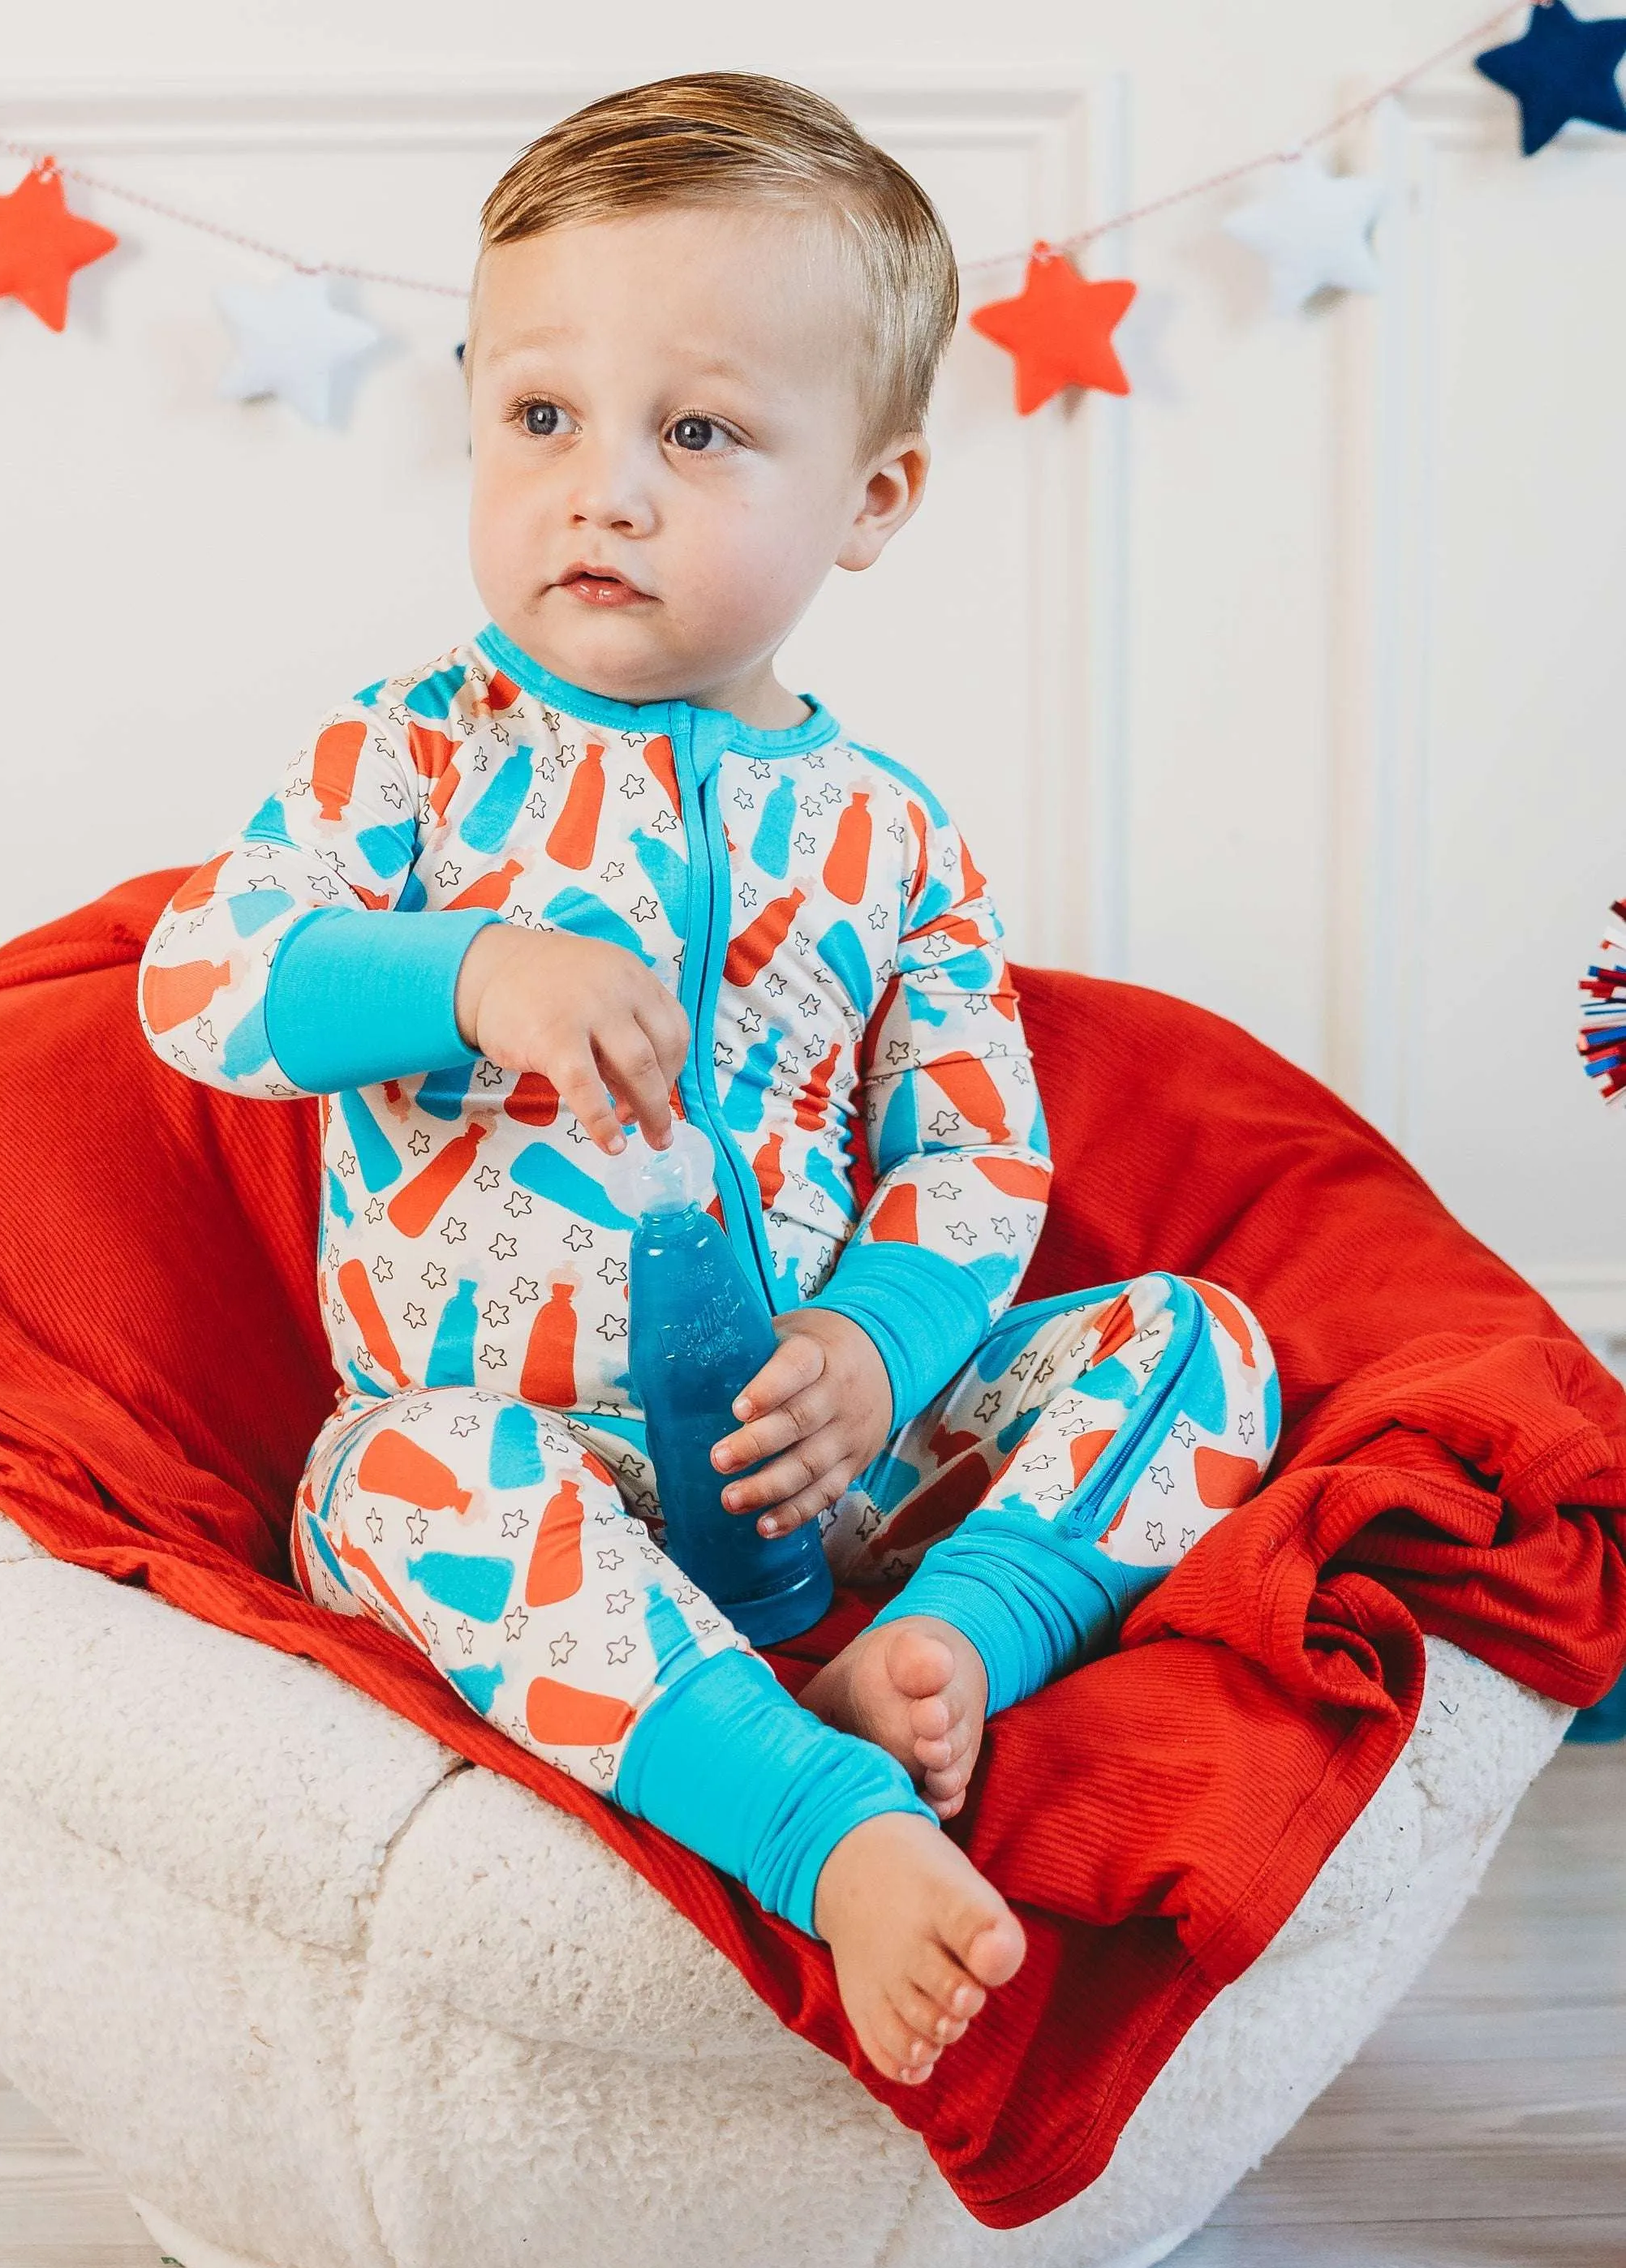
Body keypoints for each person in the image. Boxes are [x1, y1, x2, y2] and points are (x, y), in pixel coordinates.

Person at [140, 72, 1280, 2087]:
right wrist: (472, 966)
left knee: (1202, 1343)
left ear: (874, 497)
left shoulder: (889, 833)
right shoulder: (407, 759)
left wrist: (879, 1341)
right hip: (529, 1463)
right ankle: (812, 1817)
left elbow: (976, 1149)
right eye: (543, 416)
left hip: (830, 1475)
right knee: (394, 1481)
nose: (605, 489)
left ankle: (950, 1647)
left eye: (698, 432)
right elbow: (205, 981)